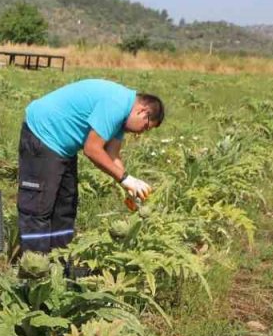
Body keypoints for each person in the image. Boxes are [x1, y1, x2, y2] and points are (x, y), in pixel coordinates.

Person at [17, 79, 164, 253]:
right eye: (145, 127)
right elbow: (92, 149)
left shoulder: (123, 113)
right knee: (38, 207)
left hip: (64, 148)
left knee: (65, 207)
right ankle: (35, 269)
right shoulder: (116, 104)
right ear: (143, 111)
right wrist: (125, 179)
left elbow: (112, 155)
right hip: (43, 134)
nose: (141, 133)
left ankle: (60, 263)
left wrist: (130, 187)